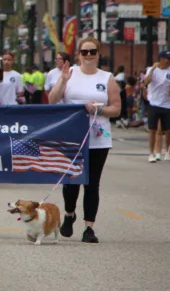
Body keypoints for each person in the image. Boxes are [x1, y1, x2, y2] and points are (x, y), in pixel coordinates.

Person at [48, 37, 121, 243]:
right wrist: (63, 80)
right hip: (72, 136)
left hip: (98, 138)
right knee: (72, 181)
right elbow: (52, 100)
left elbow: (116, 108)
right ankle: (69, 214)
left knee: (92, 183)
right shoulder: (69, 74)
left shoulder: (107, 78)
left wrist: (100, 109)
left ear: (98, 54)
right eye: (84, 52)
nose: (88, 55)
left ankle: (89, 227)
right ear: (78, 54)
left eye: (92, 52)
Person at [144, 51, 170, 162]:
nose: (168, 61)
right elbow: (146, 82)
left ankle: (169, 149)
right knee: (152, 129)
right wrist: (153, 69)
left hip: (168, 104)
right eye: (167, 58)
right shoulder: (151, 69)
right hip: (154, 103)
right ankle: (151, 153)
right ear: (161, 59)